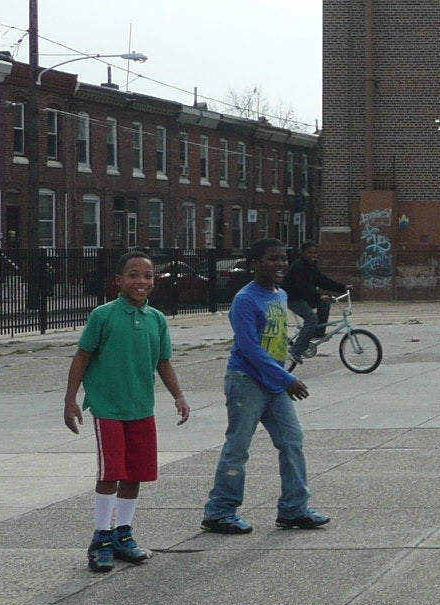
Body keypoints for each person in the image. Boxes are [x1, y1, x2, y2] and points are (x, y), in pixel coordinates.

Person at [64, 250, 191, 572]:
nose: (141, 281)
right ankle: (101, 537)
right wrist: (70, 400)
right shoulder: (103, 316)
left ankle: (123, 534)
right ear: (118, 280)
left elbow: (163, 362)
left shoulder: (157, 319)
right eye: (133, 275)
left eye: (147, 275)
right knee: (112, 473)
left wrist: (178, 395)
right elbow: (82, 356)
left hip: (141, 408)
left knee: (136, 473)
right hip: (108, 407)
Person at [201, 238, 328, 534]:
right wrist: (287, 379)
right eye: (273, 259)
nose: (281, 264)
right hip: (246, 381)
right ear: (256, 263)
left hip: (273, 383)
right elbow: (249, 348)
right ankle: (220, 511)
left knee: (292, 440)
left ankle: (294, 509)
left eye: (284, 259)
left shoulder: (280, 295)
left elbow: (277, 342)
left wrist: (285, 367)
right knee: (238, 446)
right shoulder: (246, 299)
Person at [285, 241, 350, 366]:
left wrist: (343, 287)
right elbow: (302, 288)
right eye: (309, 252)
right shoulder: (298, 266)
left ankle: (317, 333)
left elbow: (322, 281)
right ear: (302, 253)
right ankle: (296, 351)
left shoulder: (312, 266)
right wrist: (319, 296)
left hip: (304, 297)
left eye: (315, 253)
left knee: (325, 304)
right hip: (293, 298)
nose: (313, 255)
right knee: (311, 319)